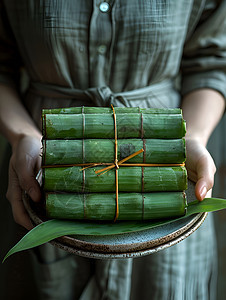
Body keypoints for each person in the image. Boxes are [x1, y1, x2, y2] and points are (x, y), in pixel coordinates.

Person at [0, 1, 225, 299]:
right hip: (48, 162)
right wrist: (21, 136)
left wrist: (192, 138)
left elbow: (211, 63)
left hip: (161, 161)